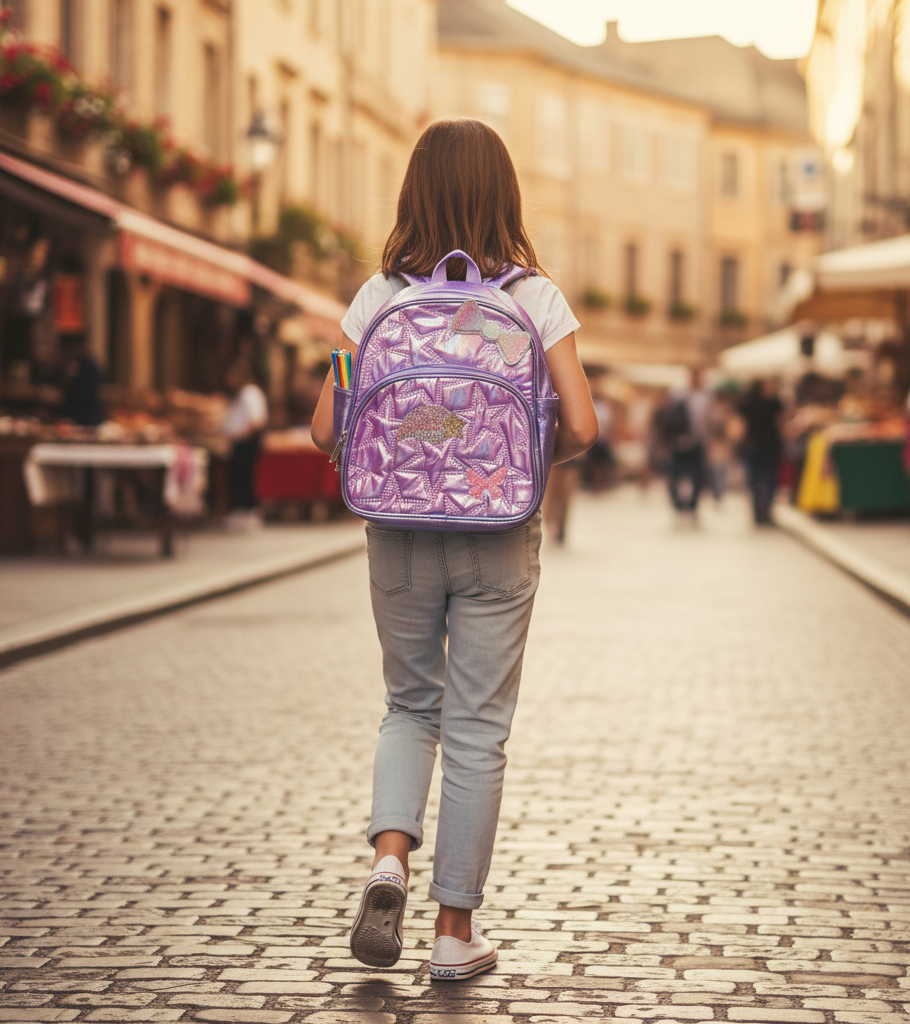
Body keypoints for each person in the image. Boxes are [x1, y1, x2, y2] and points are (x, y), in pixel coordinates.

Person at [310, 118, 599, 981]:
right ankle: (453, 932)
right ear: (506, 195)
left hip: (396, 529)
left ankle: (388, 860)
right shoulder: (533, 300)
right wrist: (512, 465)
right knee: (478, 729)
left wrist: (408, 435)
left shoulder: (378, 299)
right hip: (498, 535)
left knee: (409, 707)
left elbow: (326, 425)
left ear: (413, 193)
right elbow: (584, 425)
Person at [657, 367, 711, 518]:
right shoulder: (678, 394)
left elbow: (708, 421)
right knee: (674, 477)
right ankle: (678, 506)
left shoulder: (706, 396)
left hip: (697, 442)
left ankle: (692, 506)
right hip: (678, 442)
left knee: (698, 477)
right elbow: (667, 420)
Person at [222, 362, 268, 529]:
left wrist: (239, 434)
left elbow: (256, 420)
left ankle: (249, 510)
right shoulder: (241, 394)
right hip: (240, 441)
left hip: (246, 442)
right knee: (237, 477)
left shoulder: (250, 393)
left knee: (244, 477)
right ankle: (242, 509)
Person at [738, 378, 784, 525]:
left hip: (766, 447)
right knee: (758, 481)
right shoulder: (769, 404)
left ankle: (764, 510)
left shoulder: (774, 404)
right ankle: (760, 510)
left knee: (765, 480)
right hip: (758, 447)